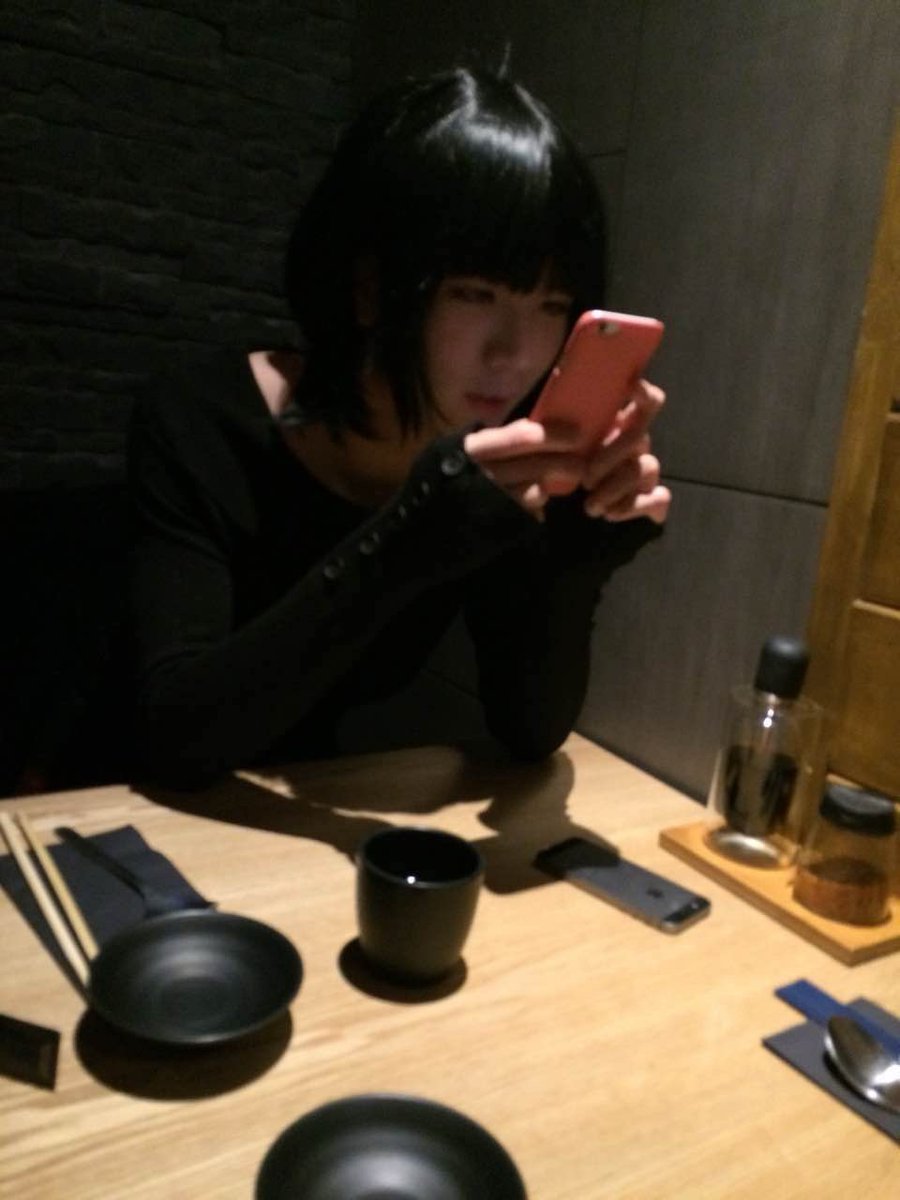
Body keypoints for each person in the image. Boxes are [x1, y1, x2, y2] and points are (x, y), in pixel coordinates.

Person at [127, 67, 670, 790]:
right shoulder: (200, 417)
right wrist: (405, 543)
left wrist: (573, 566)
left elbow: (528, 731)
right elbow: (171, 735)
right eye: (475, 293)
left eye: (551, 306)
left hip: (290, 819)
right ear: (370, 289)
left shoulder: (487, 461)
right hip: (107, 806)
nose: (515, 354)